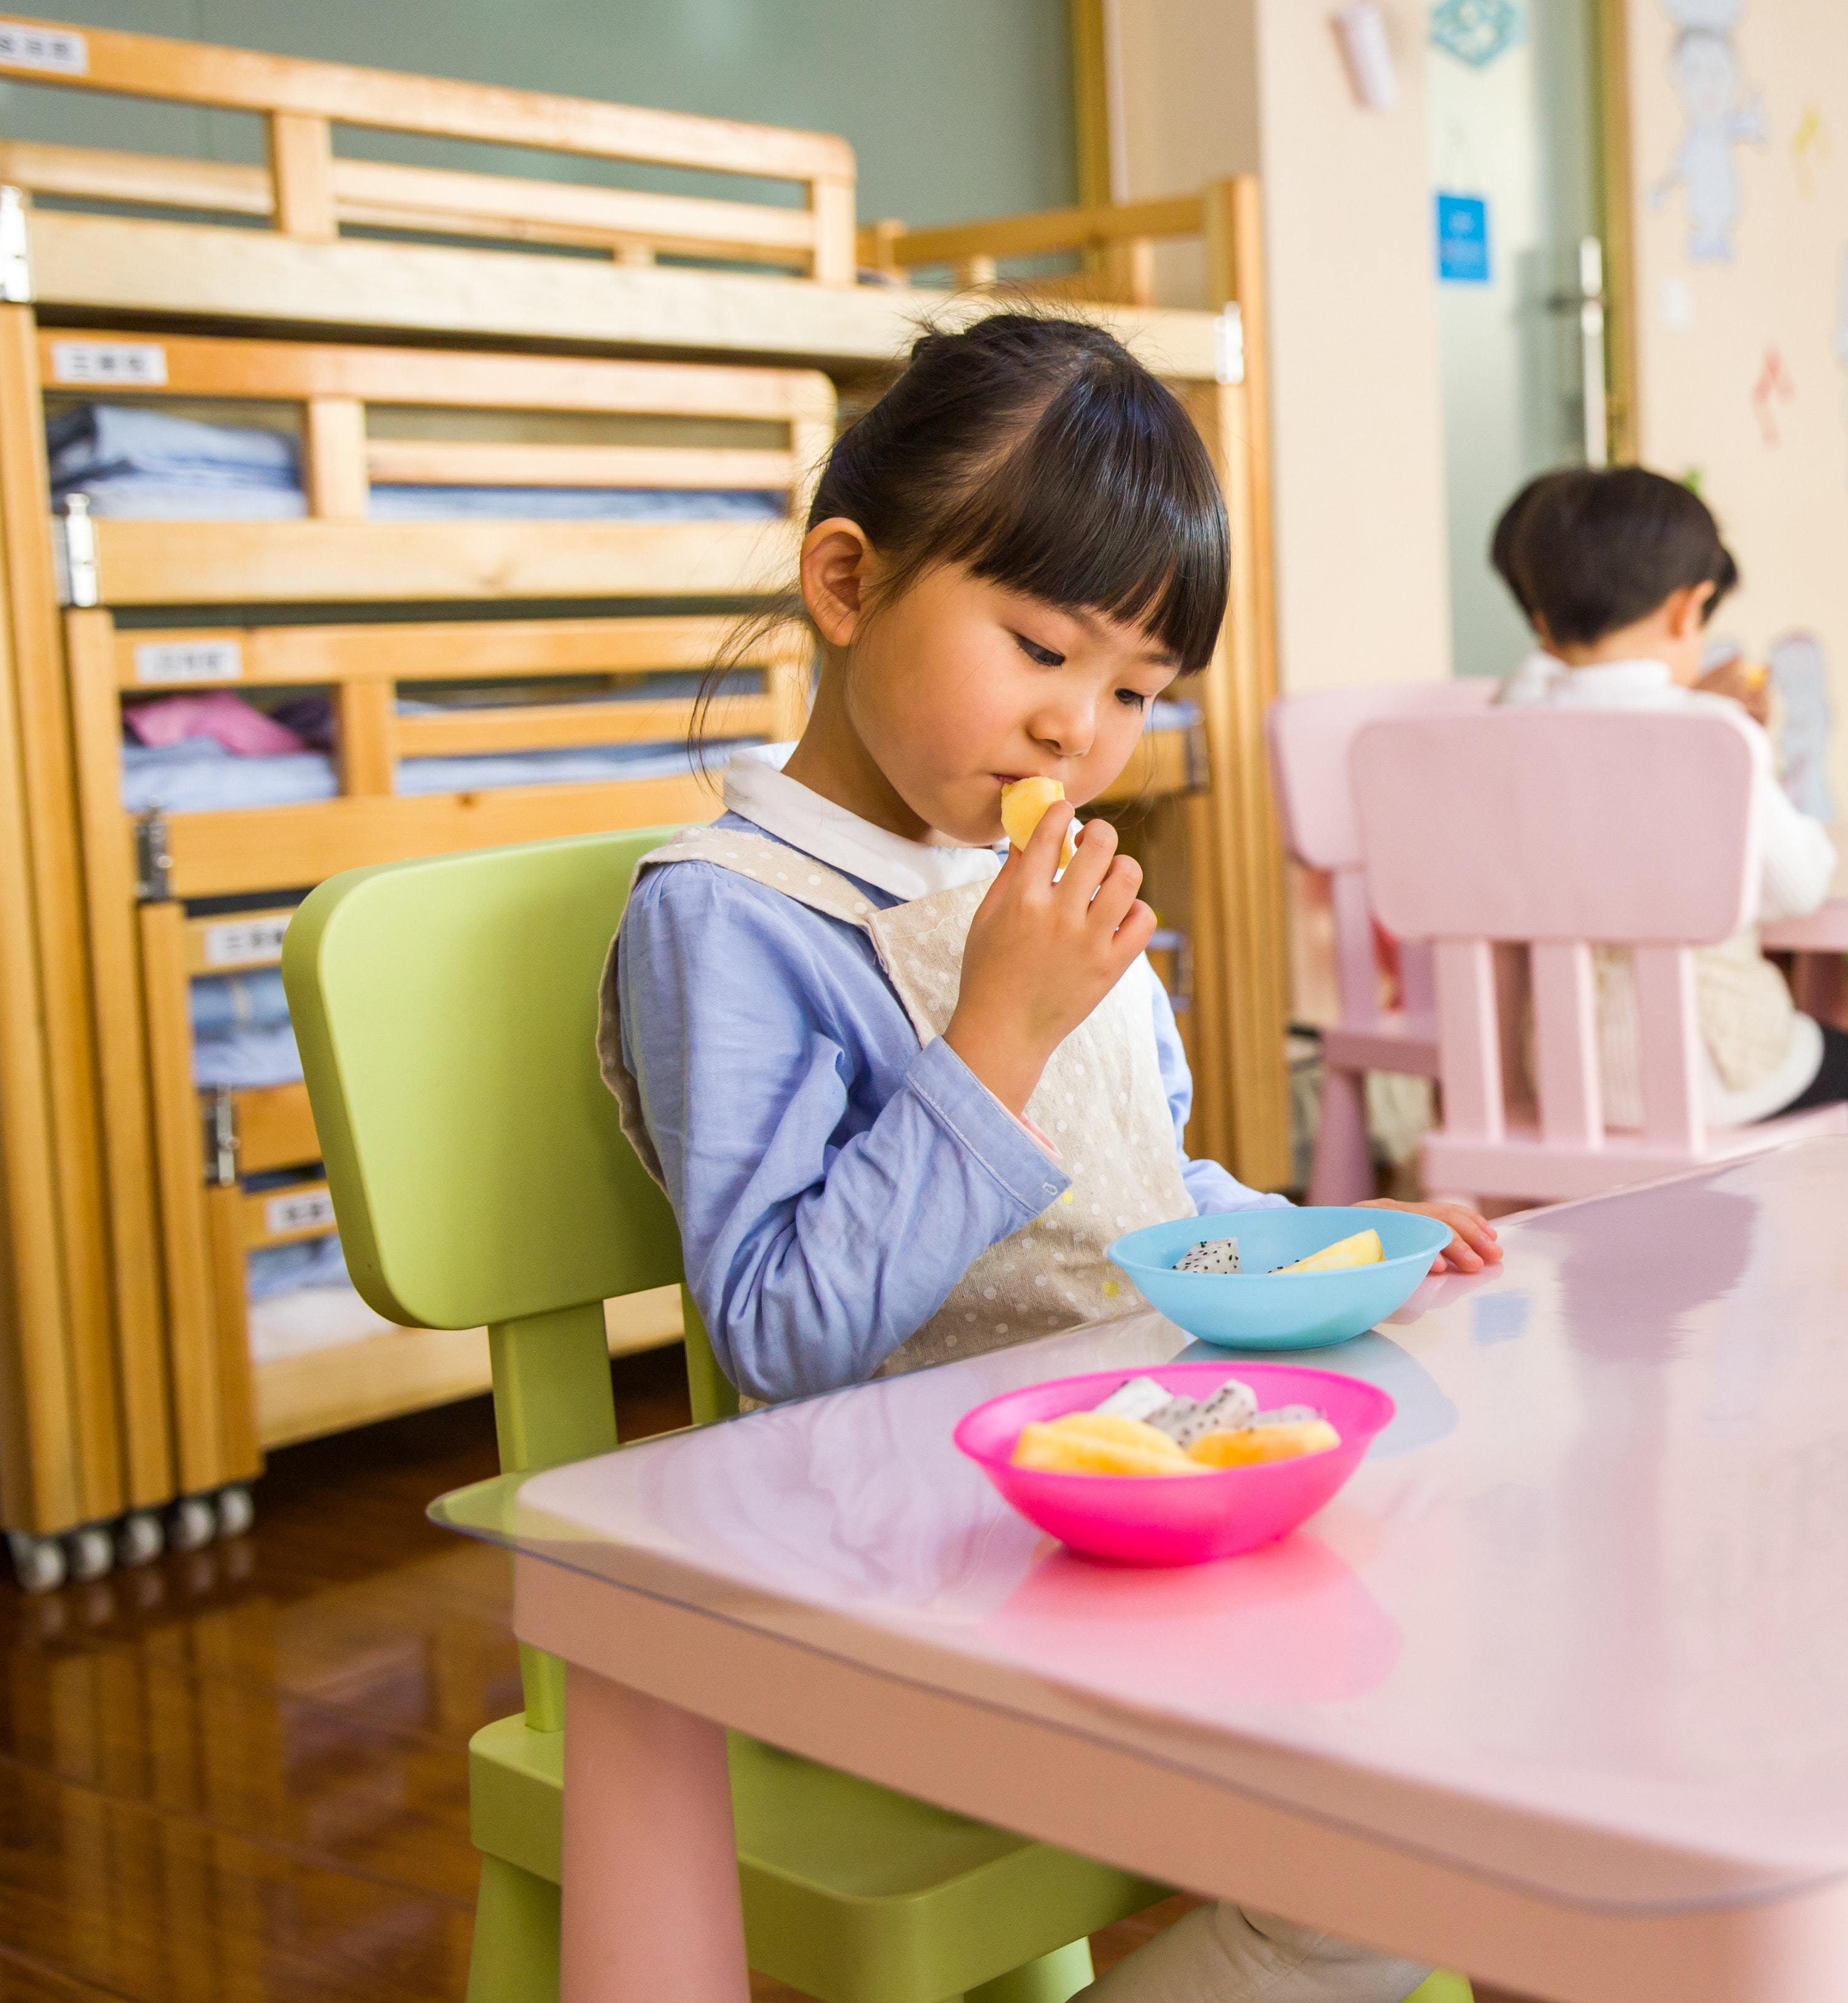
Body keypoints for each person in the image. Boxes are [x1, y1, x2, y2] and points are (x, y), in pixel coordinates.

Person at [604, 311, 1492, 2003]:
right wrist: (994, 1038)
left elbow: (1135, 1206)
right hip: (902, 1562)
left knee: (1481, 1697)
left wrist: (1321, 1235)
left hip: (1124, 1486)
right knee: (1405, 1854)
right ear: (851, 585)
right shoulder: (728, 921)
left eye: (1136, 691)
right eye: (1038, 648)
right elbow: (781, 1331)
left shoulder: (1041, 884)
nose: (1077, 730)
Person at [1487, 467, 1848, 1139]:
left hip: (1560, 1077)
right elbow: (1798, 886)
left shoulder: (1502, 730)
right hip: (1713, 1074)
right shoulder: (1712, 733)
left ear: (1540, 619)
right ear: (1689, 607)